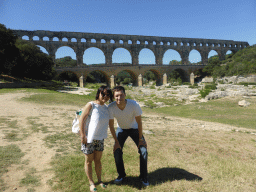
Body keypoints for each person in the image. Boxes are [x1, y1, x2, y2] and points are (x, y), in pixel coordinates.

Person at [108, 86, 149, 187]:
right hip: (121, 129)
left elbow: (139, 122)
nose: (119, 98)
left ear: (125, 95)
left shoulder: (134, 104)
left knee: (143, 151)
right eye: (116, 96)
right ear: (113, 97)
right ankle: (121, 175)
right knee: (117, 151)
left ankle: (143, 177)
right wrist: (116, 142)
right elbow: (111, 126)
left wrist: (140, 139)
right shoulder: (111, 107)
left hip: (135, 129)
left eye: (121, 95)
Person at [79, 85, 113, 192]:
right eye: (103, 94)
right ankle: (91, 182)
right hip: (89, 138)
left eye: (108, 95)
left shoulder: (107, 108)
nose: (105, 96)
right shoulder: (91, 105)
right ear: (98, 94)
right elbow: (82, 120)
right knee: (89, 161)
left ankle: (99, 180)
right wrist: (83, 135)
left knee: (98, 160)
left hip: (100, 138)